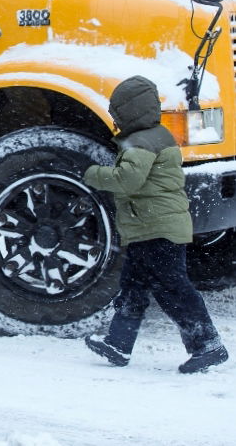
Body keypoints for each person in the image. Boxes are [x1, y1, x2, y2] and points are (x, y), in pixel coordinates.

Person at [82, 75, 228, 374]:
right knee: (132, 286)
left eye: (117, 110)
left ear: (129, 111)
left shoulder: (141, 142)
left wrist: (94, 174)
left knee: (173, 288)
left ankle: (207, 345)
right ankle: (118, 343)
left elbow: (128, 180)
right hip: (148, 227)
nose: (114, 117)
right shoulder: (156, 134)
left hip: (158, 229)